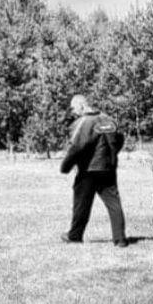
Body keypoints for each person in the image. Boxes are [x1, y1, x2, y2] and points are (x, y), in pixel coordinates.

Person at [59, 94, 128, 247]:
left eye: (74, 108)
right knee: (114, 204)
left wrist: (65, 167)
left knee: (81, 204)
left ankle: (74, 236)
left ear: (82, 106)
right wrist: (112, 155)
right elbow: (120, 139)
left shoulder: (84, 122)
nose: (73, 112)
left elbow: (76, 147)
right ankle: (120, 239)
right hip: (108, 169)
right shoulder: (108, 120)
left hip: (88, 170)